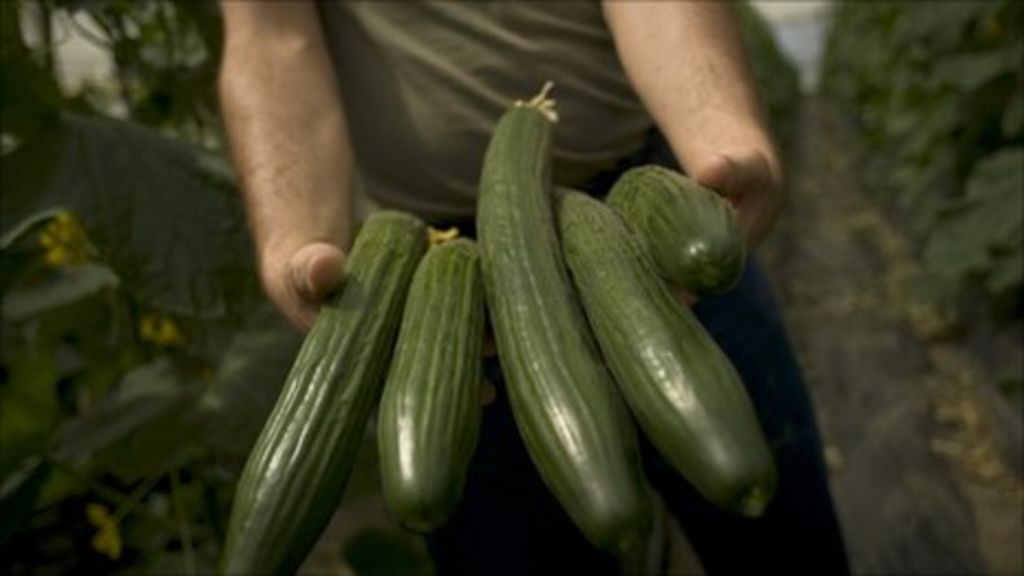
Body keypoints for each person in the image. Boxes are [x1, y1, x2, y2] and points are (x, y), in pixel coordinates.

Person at [217, 2, 849, 574]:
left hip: (647, 215)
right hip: (435, 264)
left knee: (780, 538)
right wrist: (291, 236)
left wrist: (720, 134)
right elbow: (272, 37)